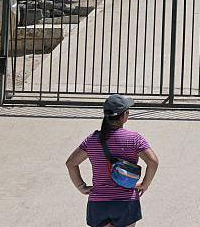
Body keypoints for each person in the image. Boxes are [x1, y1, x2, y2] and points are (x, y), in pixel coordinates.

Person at [66, 94, 160, 227]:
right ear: (123, 117)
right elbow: (153, 161)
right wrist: (145, 184)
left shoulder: (92, 140)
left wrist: (81, 187)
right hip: (125, 202)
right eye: (127, 111)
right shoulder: (134, 139)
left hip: (98, 203)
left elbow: (71, 163)